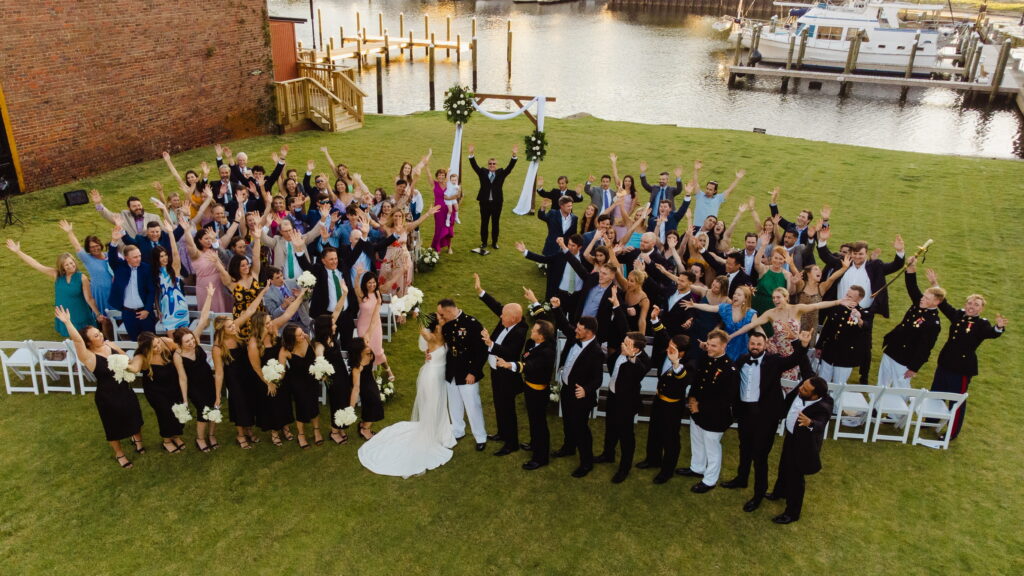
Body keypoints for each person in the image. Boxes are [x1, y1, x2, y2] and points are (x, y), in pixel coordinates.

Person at [726, 328, 814, 513]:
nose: (755, 347)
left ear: (765, 345)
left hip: (765, 417)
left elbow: (794, 359)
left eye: (759, 344)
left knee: (760, 456)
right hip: (744, 414)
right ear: (748, 344)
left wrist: (803, 344)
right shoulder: (741, 360)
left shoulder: (773, 361)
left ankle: (759, 494)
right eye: (752, 344)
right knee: (744, 448)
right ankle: (741, 479)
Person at [358, 315, 457, 477]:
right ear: (434, 326)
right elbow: (421, 329)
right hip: (431, 376)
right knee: (432, 404)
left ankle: (439, 430)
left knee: (439, 403)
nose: (443, 322)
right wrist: (416, 313)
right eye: (440, 321)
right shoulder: (430, 336)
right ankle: (430, 433)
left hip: (439, 375)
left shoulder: (445, 335)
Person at [923, 268, 1007, 440]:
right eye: (970, 303)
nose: (971, 307)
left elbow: (992, 333)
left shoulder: (982, 324)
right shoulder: (959, 315)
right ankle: (930, 421)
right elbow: (944, 304)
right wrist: (934, 284)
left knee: (957, 402)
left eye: (976, 305)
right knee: (936, 394)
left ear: (981, 309)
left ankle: (951, 433)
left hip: (961, 368)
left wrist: (999, 327)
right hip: (945, 362)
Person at [55, 306, 144, 468]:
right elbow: (77, 341)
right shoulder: (89, 357)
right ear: (89, 342)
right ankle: (120, 454)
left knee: (134, 415)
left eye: (99, 332)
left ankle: (137, 439)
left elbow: (127, 361)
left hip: (125, 389)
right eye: (96, 335)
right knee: (112, 425)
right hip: (108, 397)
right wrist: (68, 323)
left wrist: (117, 349)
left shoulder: (109, 345)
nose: (101, 335)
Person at [816, 224, 905, 383]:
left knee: (865, 345)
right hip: (840, 308)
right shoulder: (843, 263)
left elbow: (895, 266)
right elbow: (826, 257)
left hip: (864, 311)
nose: (857, 257)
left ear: (866, 253)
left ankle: (863, 376)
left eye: (861, 254)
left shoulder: (875, 266)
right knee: (832, 336)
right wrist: (822, 241)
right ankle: (826, 362)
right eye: (855, 254)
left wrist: (899, 252)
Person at [730, 287, 849, 381]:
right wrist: (731, 336)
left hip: (794, 351)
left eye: (778, 297)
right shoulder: (770, 313)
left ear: (786, 297)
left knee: (790, 383)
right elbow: (751, 325)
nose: (775, 300)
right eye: (773, 298)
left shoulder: (797, 309)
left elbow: (817, 305)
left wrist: (838, 301)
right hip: (776, 351)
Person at [767, 376, 834, 524]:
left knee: (795, 479)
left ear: (815, 396)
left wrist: (810, 422)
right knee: (783, 466)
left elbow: (820, 423)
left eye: (805, 390)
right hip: (790, 437)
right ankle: (779, 492)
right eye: (802, 386)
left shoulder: (824, 405)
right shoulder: (803, 388)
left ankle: (792, 513)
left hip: (803, 446)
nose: (800, 389)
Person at [679, 329, 738, 493]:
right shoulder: (707, 358)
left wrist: (700, 407)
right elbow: (698, 380)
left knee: (712, 447)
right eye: (708, 344)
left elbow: (726, 399)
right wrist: (691, 399)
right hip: (696, 410)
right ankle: (697, 467)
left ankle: (710, 479)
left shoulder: (729, 369)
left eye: (713, 346)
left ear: (724, 346)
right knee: (696, 440)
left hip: (715, 416)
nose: (709, 348)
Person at [476, 274, 529, 456]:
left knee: (508, 408)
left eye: (504, 316)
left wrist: (490, 343)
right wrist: (480, 291)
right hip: (495, 371)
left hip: (507, 375)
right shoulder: (506, 317)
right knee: (499, 404)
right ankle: (502, 433)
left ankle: (512, 443)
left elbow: (510, 353)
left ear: (514, 319)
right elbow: (497, 306)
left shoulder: (520, 331)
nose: (500, 317)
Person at [550, 304, 605, 478]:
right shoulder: (576, 338)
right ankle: (568, 447)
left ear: (589, 333)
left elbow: (598, 379)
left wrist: (586, 390)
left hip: (580, 396)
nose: (576, 331)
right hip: (567, 389)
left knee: (581, 429)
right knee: (567, 421)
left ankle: (586, 463)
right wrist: (557, 308)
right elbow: (566, 325)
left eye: (580, 329)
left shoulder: (596, 352)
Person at [504, 295, 557, 470]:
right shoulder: (538, 341)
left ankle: (540, 457)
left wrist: (509, 365)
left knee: (539, 423)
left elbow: (530, 366)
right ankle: (535, 444)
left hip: (538, 392)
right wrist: (534, 301)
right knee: (533, 421)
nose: (531, 332)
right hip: (530, 388)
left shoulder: (547, 352)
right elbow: (544, 318)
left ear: (541, 336)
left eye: (534, 331)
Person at [6, 239, 99, 337]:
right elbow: (36, 265)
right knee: (72, 340)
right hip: (64, 314)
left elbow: (89, 298)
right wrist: (18, 252)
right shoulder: (57, 275)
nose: (70, 266)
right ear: (62, 267)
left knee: (86, 339)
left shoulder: (82, 277)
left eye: (72, 263)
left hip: (80, 313)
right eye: (66, 264)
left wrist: (97, 314)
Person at [596, 329, 650, 484]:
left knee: (626, 436)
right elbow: (611, 364)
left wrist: (630, 356)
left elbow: (639, 372)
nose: (623, 345)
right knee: (610, 426)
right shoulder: (620, 352)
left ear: (636, 349)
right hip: (613, 396)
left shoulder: (643, 360)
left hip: (626, 403)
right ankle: (608, 454)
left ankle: (624, 468)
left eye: (627, 343)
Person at [637, 334, 693, 484]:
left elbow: (684, 378)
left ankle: (667, 471)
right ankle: (653, 459)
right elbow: (662, 334)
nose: (668, 349)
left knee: (670, 438)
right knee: (654, 431)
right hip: (659, 400)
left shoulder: (688, 364)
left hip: (673, 406)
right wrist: (655, 320)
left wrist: (675, 363)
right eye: (669, 345)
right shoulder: (665, 353)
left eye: (672, 347)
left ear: (681, 353)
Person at [877, 265, 944, 389]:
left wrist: (914, 368)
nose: (922, 299)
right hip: (892, 348)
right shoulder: (920, 304)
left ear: (936, 302)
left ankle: (897, 408)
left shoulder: (933, 323)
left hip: (905, 359)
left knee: (899, 388)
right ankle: (874, 407)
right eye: (923, 296)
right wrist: (911, 270)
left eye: (926, 298)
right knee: (881, 383)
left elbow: (925, 348)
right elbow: (912, 287)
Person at [437, 298, 489, 450]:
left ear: (449, 311)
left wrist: (474, 372)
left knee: (472, 406)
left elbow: (482, 351)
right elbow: (444, 344)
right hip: (451, 371)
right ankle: (458, 430)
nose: (440, 317)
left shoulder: (472, 324)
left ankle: (480, 437)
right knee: (454, 404)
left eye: (442, 314)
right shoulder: (446, 324)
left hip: (467, 373)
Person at [172, 285, 217, 451]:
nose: (191, 343)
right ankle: (200, 439)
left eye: (191, 340)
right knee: (202, 412)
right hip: (195, 387)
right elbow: (182, 378)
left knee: (214, 407)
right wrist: (184, 399)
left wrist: (210, 296)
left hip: (208, 380)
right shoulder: (177, 356)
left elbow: (203, 318)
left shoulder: (195, 340)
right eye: (187, 342)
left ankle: (212, 435)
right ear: (180, 344)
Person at [132, 332, 187, 453]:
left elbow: (180, 349)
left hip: (173, 386)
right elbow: (134, 368)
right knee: (165, 414)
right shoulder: (142, 357)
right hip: (156, 391)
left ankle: (176, 436)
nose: (158, 348)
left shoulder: (165, 343)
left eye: (158, 343)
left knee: (177, 411)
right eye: (154, 347)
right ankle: (167, 441)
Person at [683, 285, 757, 361]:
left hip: (742, 347)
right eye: (735, 293)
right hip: (725, 344)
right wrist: (694, 305)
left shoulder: (751, 313)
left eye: (739, 295)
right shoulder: (726, 308)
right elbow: (709, 307)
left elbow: (757, 328)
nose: (735, 296)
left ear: (745, 298)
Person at [59, 221, 113, 323]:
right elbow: (77, 246)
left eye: (96, 245)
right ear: (88, 249)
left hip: (115, 289)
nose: (95, 248)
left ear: (100, 245)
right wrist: (69, 232)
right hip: (100, 292)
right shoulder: (88, 259)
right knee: (105, 319)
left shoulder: (110, 255)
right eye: (92, 247)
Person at [467, 143, 518, 253]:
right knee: (484, 222)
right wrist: (471, 154)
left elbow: (510, 168)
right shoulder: (482, 172)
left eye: (494, 163)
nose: (492, 165)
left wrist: (514, 156)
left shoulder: (501, 173)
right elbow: (474, 166)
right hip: (484, 202)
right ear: (488, 164)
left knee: (495, 222)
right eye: (490, 163)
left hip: (497, 203)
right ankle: (484, 242)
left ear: (496, 164)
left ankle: (494, 242)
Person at [279, 324, 323, 448]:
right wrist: (273, 378)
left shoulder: (308, 340)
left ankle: (316, 430)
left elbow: (318, 352)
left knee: (314, 404)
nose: (303, 335)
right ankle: (301, 434)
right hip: (297, 382)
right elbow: (281, 371)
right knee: (301, 406)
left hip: (312, 379)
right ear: (291, 338)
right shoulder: (285, 350)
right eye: (299, 335)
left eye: (302, 332)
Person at [816, 286, 872, 385]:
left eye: (850, 297)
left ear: (859, 299)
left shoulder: (864, 313)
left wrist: (858, 318)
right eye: (847, 294)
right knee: (822, 382)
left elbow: (866, 327)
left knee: (839, 385)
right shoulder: (837, 308)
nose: (846, 298)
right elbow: (827, 328)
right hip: (829, 351)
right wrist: (819, 346)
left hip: (845, 357)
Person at [311, 309, 351, 445]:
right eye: (332, 324)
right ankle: (334, 431)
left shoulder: (332, 336)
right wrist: (326, 378)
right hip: (333, 379)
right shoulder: (319, 346)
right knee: (337, 403)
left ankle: (341, 426)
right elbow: (319, 363)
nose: (335, 326)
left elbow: (336, 312)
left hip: (342, 373)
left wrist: (344, 295)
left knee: (345, 399)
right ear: (325, 328)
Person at [107, 239, 157, 340]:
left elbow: (151, 291)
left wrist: (147, 310)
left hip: (145, 313)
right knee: (135, 341)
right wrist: (114, 242)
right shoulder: (119, 267)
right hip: (128, 314)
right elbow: (112, 257)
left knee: (151, 341)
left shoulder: (146, 268)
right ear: (126, 258)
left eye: (139, 256)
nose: (138, 259)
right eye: (135, 257)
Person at [354, 271, 394, 381]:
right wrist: (357, 275)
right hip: (363, 326)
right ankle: (369, 375)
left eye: (374, 282)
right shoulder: (362, 295)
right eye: (369, 283)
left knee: (378, 351)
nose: (372, 285)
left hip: (376, 326)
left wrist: (369, 333)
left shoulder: (377, 294)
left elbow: (375, 317)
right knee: (366, 351)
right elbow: (355, 286)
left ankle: (388, 369)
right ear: (365, 283)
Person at [350, 337, 385, 441]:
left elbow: (370, 370)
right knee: (374, 403)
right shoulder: (357, 367)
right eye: (366, 344)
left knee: (374, 402)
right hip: (361, 384)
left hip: (370, 380)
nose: (368, 345)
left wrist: (374, 382)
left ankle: (363, 424)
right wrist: (351, 408)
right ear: (360, 350)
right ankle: (364, 429)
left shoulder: (370, 353)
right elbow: (356, 388)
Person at [689, 161, 745, 226]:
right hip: (696, 227)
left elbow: (730, 190)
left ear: (715, 191)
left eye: (710, 190)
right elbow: (695, 182)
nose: (707, 190)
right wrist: (696, 170)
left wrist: (737, 178)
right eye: (707, 188)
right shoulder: (699, 195)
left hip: (710, 229)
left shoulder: (719, 198)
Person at [89, 189, 161, 237]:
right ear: (129, 208)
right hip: (130, 250)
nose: (137, 208)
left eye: (139, 205)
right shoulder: (123, 216)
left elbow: (164, 233)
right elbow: (107, 214)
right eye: (134, 206)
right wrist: (98, 204)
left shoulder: (154, 217)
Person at [431, 168, 456, 254]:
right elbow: (429, 177)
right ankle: (438, 247)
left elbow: (456, 196)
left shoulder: (449, 185)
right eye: (439, 175)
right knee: (438, 228)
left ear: (445, 176)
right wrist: (426, 166)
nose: (441, 176)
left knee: (449, 228)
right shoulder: (434, 184)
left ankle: (449, 247)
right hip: (438, 210)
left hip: (448, 209)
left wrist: (449, 198)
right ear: (437, 176)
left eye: (442, 175)